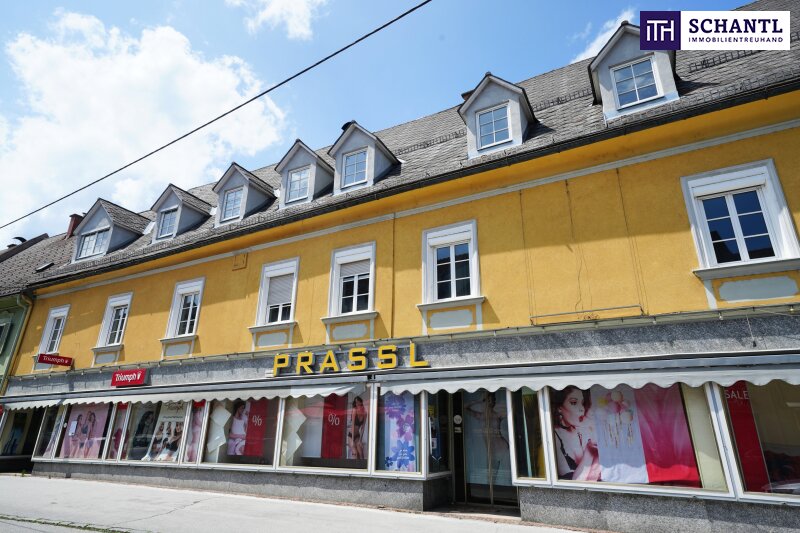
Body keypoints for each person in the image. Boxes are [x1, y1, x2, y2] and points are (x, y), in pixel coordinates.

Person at [551, 386, 601, 481]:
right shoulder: (554, 437)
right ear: (559, 408)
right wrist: (589, 451)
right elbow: (571, 483)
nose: (582, 409)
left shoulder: (583, 430)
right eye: (574, 403)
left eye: (582, 403)